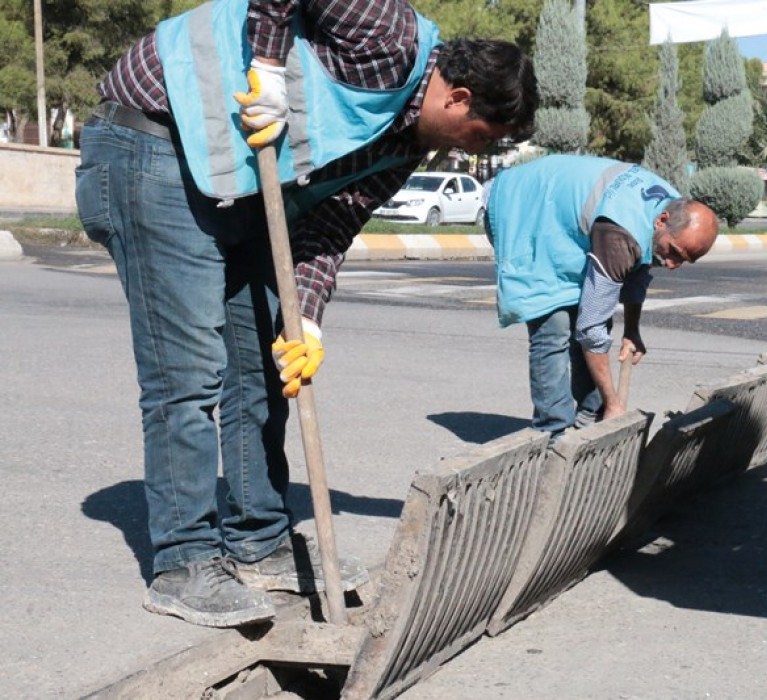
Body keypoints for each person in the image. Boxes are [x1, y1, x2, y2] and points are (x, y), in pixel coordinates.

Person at [75, 0, 537, 629]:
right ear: (458, 98)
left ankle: (258, 541)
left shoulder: (404, 148)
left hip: (233, 182)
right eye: (482, 137)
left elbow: (329, 225)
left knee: (265, 372)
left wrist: (308, 320)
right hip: (152, 143)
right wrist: (265, 67)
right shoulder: (389, 32)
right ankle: (182, 562)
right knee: (188, 376)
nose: (473, 151)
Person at [485, 155, 718, 435]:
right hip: (525, 207)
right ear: (662, 221)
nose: (671, 265)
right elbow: (592, 326)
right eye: (674, 253)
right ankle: (553, 434)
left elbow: (636, 272)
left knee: (587, 316)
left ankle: (591, 420)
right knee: (554, 325)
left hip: (565, 216)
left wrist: (632, 330)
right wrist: (614, 401)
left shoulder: (671, 209)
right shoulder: (621, 231)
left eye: (684, 260)